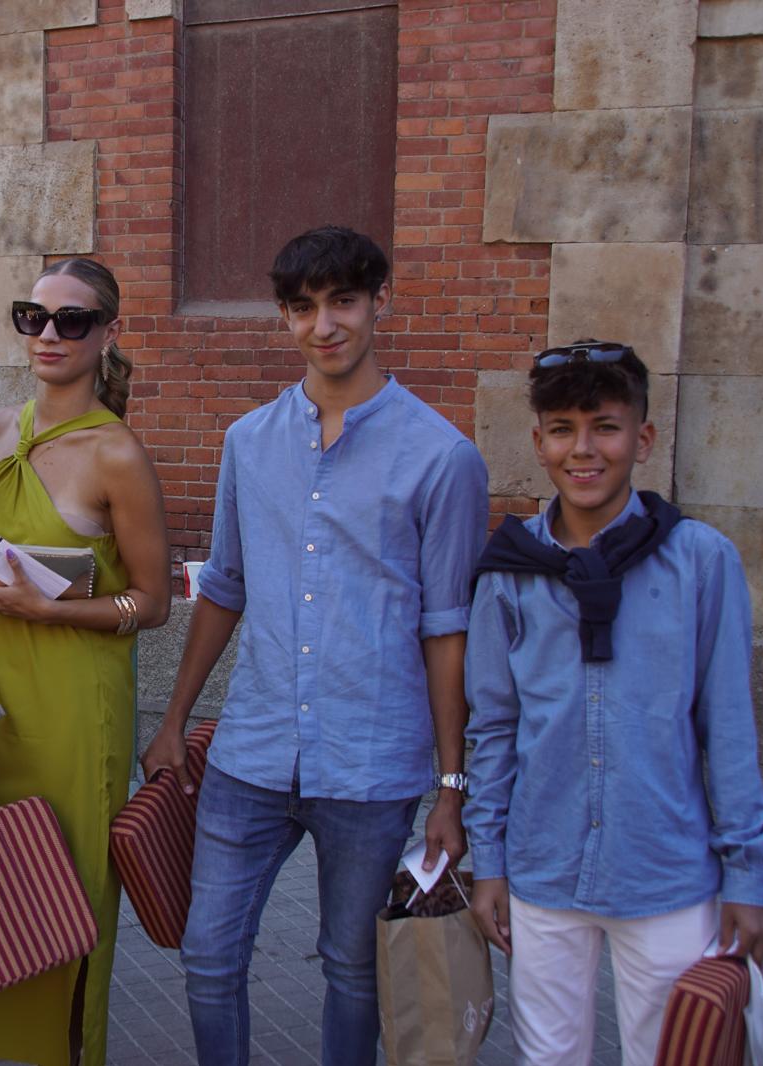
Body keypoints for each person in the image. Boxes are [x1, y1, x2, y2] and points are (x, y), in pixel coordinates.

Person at [144, 226, 487, 1066]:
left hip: (371, 764)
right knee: (208, 954)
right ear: (285, 318)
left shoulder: (443, 457)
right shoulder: (247, 442)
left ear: (380, 303)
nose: (324, 325)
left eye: (343, 302)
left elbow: (448, 630)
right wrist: (174, 717)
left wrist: (452, 785)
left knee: (351, 969)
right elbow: (224, 585)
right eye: (303, 308)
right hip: (249, 752)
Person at [466, 340, 763, 1066]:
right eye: (562, 429)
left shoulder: (701, 561)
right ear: (539, 442)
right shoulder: (510, 573)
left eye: (605, 426)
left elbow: (728, 729)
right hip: (543, 869)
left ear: (642, 438)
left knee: (671, 1055)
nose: (585, 449)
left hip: (665, 873)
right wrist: (490, 863)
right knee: (547, 1057)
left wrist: (751, 876)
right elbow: (496, 727)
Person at [0, 257, 171, 1066]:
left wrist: (54, 608)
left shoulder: (117, 455)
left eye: (73, 321)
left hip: (77, 707)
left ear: (107, 333)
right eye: (33, 317)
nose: (49, 335)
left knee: (70, 902)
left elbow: (154, 602)